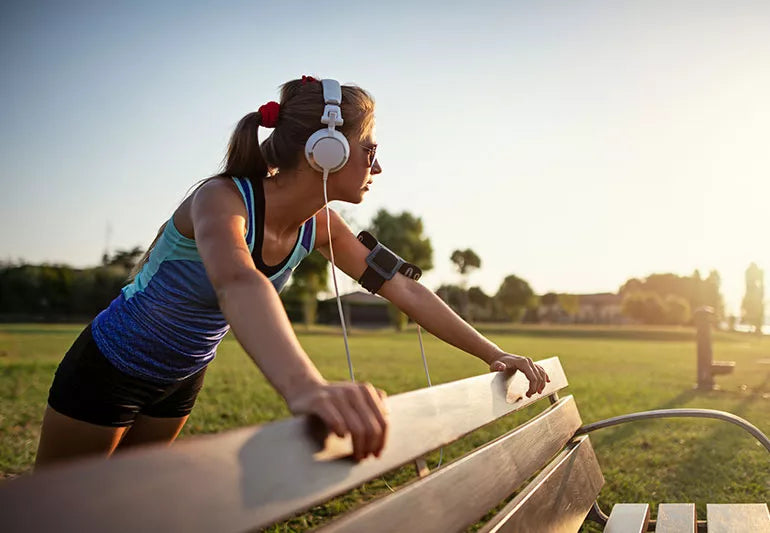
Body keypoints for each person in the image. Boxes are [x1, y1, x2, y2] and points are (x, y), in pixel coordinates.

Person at [35, 76, 549, 469]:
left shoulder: (322, 225)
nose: (377, 167)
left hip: (181, 380)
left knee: (124, 503)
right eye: (370, 150)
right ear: (328, 150)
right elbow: (238, 281)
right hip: (110, 366)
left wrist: (493, 353)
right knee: (59, 512)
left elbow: (404, 289)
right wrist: (306, 387)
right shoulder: (221, 199)